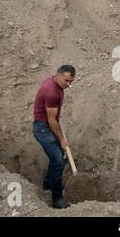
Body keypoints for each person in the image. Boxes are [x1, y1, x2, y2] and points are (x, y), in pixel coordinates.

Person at [32, 65, 75, 209]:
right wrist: (62, 139)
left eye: (71, 81)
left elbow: (53, 118)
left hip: (48, 125)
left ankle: (49, 182)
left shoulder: (55, 83)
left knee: (57, 155)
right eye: (66, 80)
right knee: (58, 161)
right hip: (43, 129)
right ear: (57, 75)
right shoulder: (51, 91)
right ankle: (57, 199)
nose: (68, 84)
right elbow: (51, 120)